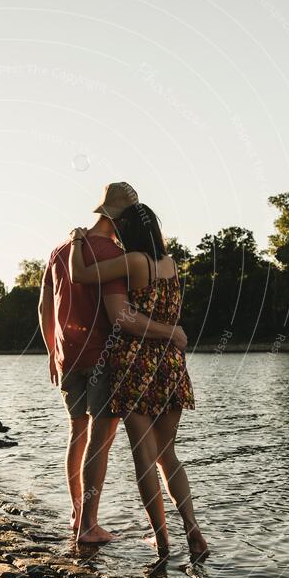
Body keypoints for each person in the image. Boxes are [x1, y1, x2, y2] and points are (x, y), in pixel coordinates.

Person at [39, 183, 188, 544]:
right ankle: (89, 524)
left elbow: (45, 306)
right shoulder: (114, 254)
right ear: (123, 218)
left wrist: (51, 352)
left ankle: (78, 514)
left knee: (78, 434)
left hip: (66, 355)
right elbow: (122, 314)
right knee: (102, 441)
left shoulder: (61, 249)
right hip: (106, 356)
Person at [68, 202, 209, 558]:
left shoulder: (133, 262)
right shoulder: (172, 263)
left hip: (137, 363)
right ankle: (193, 529)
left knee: (144, 457)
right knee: (168, 455)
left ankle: (162, 542)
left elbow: (82, 275)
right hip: (171, 364)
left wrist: (76, 241)